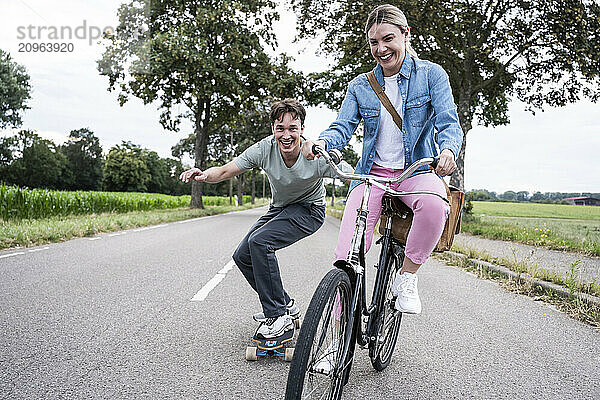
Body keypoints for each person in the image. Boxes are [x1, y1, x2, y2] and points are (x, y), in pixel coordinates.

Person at [302, 4, 464, 315]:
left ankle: (406, 276)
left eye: (387, 39)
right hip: (372, 175)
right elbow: (342, 126)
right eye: (374, 42)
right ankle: (335, 337)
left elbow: (448, 121)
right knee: (346, 257)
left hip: (415, 170)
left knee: (435, 205)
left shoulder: (431, 76)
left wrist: (447, 150)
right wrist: (322, 141)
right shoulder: (361, 85)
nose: (381, 49)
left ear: (406, 34)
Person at [180, 98, 352, 339]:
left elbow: (351, 177)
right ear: (273, 129)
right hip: (280, 208)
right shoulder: (264, 149)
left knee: (260, 242)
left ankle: (277, 315)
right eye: (280, 128)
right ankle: (286, 305)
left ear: (302, 129)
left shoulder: (316, 154)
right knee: (242, 255)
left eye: (293, 128)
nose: (286, 135)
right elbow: (228, 169)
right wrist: (204, 174)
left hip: (310, 210)